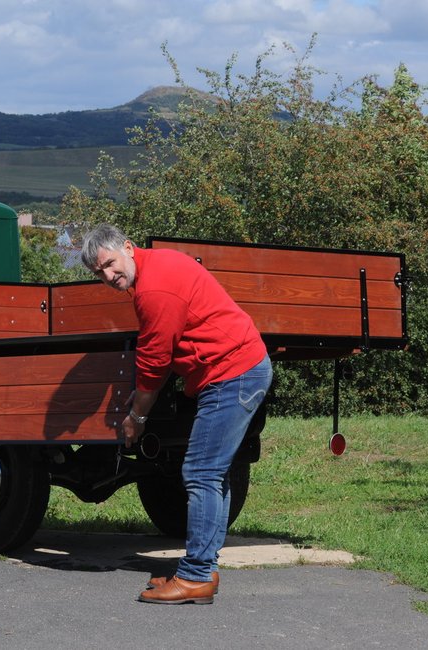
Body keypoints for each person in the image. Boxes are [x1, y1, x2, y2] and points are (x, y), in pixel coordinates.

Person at [81, 224, 272, 604]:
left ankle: (196, 576)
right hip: (239, 369)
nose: (107, 276)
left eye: (110, 264)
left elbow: (154, 366)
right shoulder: (160, 264)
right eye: (98, 272)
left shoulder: (154, 290)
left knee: (200, 473)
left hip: (231, 375)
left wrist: (136, 418)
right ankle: (204, 568)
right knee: (212, 474)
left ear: (129, 249)